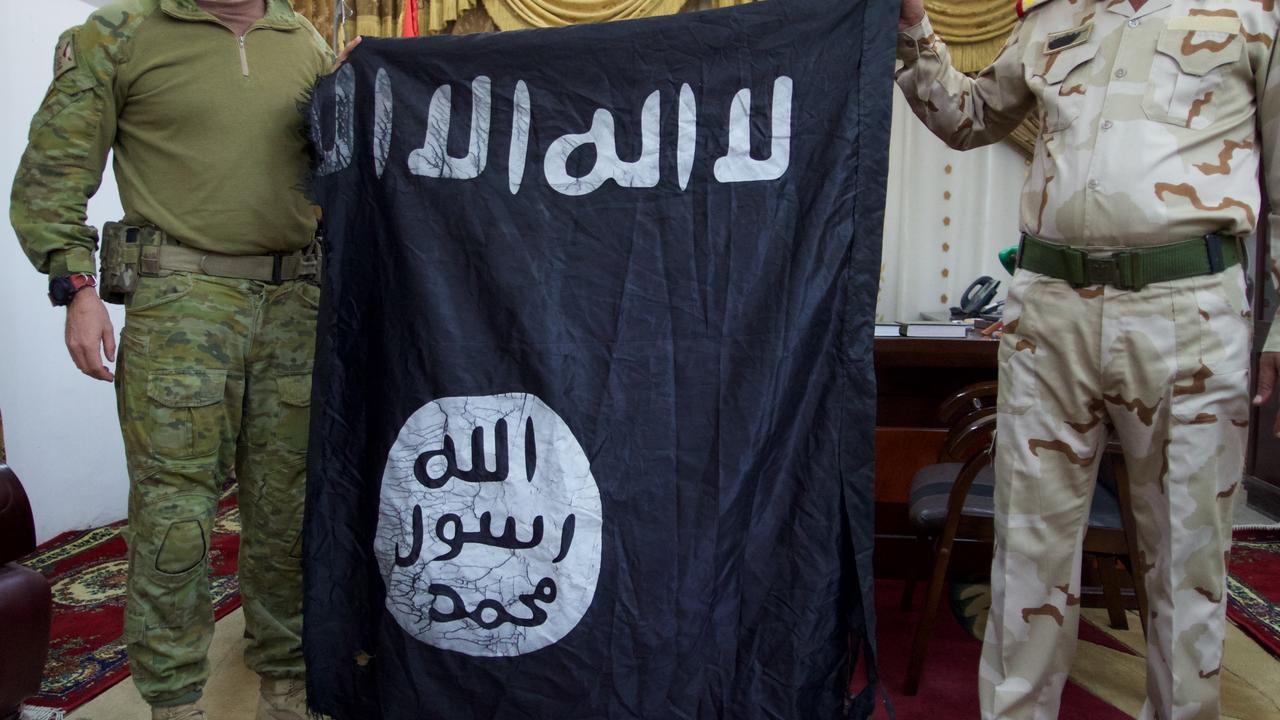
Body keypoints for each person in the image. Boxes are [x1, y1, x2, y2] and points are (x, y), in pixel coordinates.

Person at [895, 0, 1280, 717]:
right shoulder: (1050, 19)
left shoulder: (1249, 13)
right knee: (1027, 558)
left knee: (1187, 568)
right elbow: (969, 117)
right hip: (1052, 313)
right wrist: (911, 29)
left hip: (1189, 313)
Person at [10, 2, 357, 719]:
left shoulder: (303, 41)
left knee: (287, 507)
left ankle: (287, 682)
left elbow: (337, 163)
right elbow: (54, 172)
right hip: (183, 302)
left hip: (296, 299)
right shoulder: (119, 34)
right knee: (176, 510)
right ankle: (174, 700)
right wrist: (75, 287)